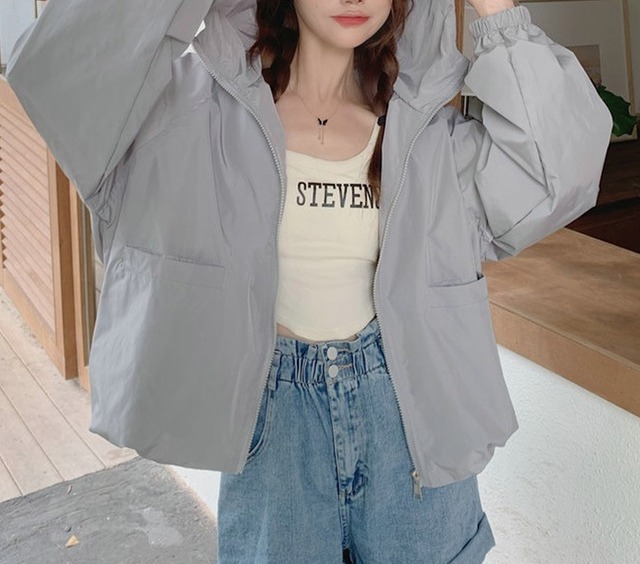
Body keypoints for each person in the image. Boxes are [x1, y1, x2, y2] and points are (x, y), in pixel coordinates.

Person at [6, 0, 612, 561]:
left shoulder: (427, 129)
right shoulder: (190, 114)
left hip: (410, 428)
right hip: (274, 434)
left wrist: (496, 9)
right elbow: (61, 78)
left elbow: (560, 172)